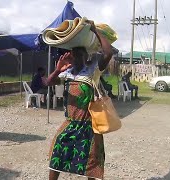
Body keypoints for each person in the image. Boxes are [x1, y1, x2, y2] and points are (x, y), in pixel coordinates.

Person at [45, 21, 113, 180]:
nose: (76, 58)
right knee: (57, 154)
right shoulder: (66, 73)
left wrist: (95, 30)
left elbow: (108, 53)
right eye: (73, 55)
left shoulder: (93, 71)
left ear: (87, 56)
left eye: (80, 55)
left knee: (92, 162)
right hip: (70, 123)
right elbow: (48, 83)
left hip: (88, 125)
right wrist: (57, 69)